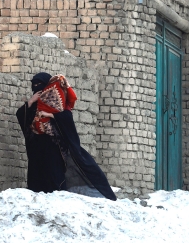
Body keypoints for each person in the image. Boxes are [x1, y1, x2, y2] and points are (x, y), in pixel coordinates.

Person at [16, 72, 117, 201]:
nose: (37, 88)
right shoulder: (34, 103)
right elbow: (21, 116)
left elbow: (66, 117)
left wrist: (50, 115)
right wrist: (30, 102)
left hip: (53, 146)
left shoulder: (54, 101)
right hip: (36, 148)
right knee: (36, 177)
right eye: (34, 85)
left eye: (40, 85)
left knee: (54, 177)